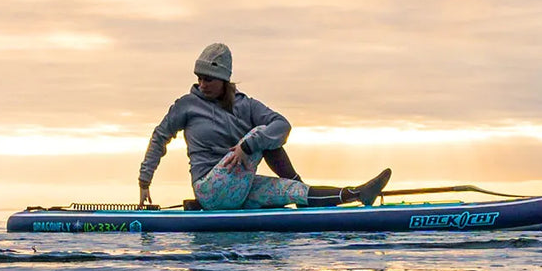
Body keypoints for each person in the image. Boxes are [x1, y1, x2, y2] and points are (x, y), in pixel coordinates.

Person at [137, 43, 392, 210]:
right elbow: (160, 137)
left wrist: (248, 146)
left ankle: (356, 194)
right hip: (210, 189)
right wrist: (144, 180)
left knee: (292, 188)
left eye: (209, 80)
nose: (202, 85)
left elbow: (283, 125)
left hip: (240, 187)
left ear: (225, 80)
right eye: (199, 79)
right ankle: (303, 192)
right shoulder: (187, 105)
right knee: (260, 133)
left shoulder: (245, 105)